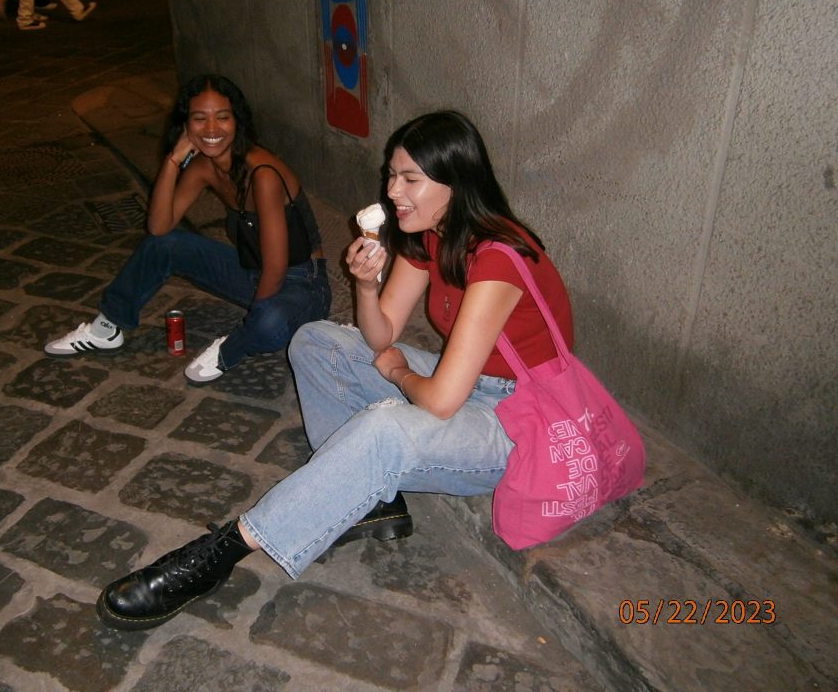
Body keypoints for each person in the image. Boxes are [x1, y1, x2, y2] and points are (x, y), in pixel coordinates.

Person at [94, 110, 574, 631]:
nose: (393, 190)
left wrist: (398, 376)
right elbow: (382, 334)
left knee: (385, 426)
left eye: (411, 179)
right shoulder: (429, 232)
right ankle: (368, 503)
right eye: (392, 175)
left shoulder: (497, 257)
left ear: (457, 182)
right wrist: (366, 288)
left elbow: (437, 400)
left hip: (519, 422)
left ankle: (219, 554)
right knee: (315, 340)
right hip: (469, 385)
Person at [44, 74, 332, 385]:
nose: (211, 129)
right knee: (165, 245)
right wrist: (173, 159)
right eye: (199, 119)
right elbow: (158, 227)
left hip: (302, 281)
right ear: (186, 124)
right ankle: (108, 326)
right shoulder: (205, 167)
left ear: (238, 122)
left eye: (222, 118)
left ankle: (230, 348)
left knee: (270, 325)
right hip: (251, 271)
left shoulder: (263, 174)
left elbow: (275, 269)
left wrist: (253, 322)